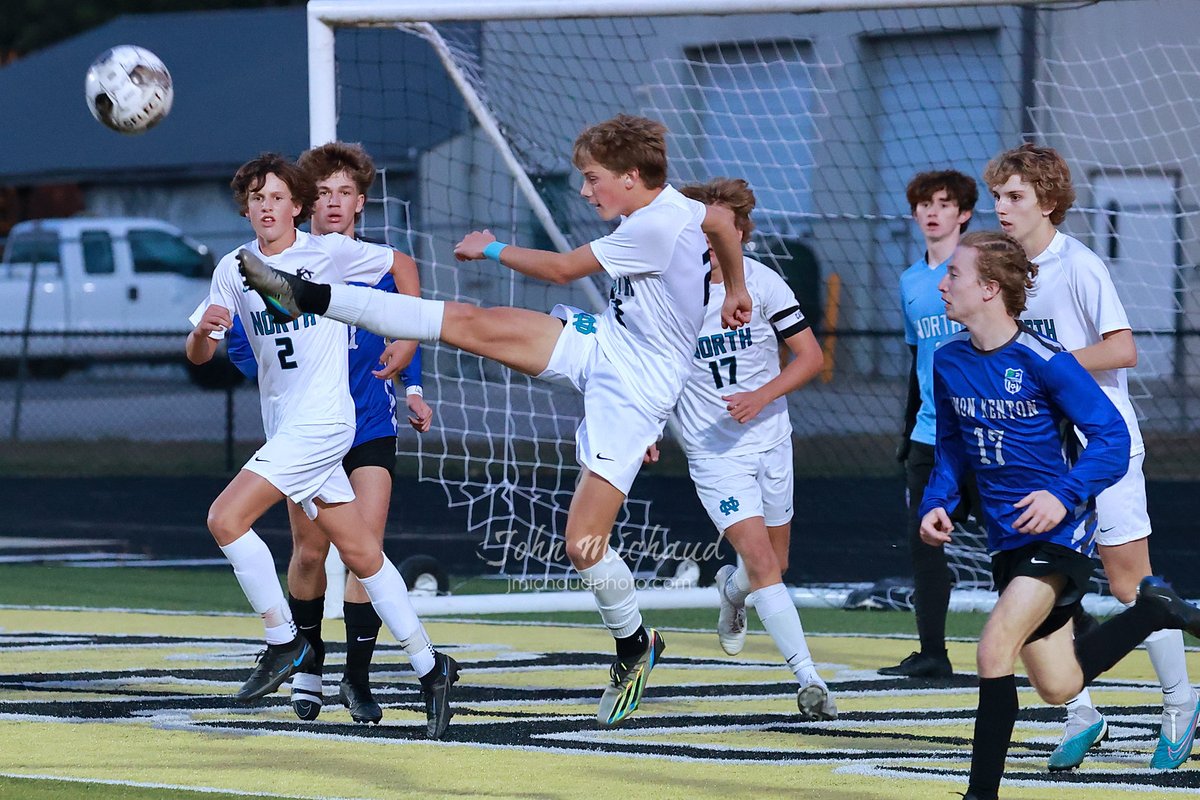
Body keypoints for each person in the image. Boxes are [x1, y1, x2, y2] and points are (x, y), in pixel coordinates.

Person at [238, 114, 753, 727]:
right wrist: (734, 288)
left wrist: (489, 247)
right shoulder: (685, 208)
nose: (586, 192)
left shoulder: (655, 226)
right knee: (472, 322)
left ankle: (634, 643)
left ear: (631, 176)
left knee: (583, 545)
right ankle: (309, 296)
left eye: (592, 180)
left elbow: (563, 271)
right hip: (608, 344)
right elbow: (721, 222)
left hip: (638, 390)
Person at [919, 230, 1200, 800]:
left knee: (993, 648)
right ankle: (1151, 612)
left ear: (990, 290)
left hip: (1060, 532)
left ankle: (980, 795)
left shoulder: (1046, 361)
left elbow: (1111, 439)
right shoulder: (948, 362)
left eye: (954, 275)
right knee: (1059, 684)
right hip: (1007, 538)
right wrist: (936, 502)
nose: (942, 283)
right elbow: (951, 447)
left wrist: (1064, 496)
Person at [185, 153, 458, 740]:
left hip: (328, 424)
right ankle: (432, 667)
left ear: (296, 207)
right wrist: (202, 332)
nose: (266, 207)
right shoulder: (234, 268)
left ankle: (284, 644)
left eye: (277, 197)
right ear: (247, 207)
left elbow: (402, 266)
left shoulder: (328, 253)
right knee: (362, 556)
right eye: (255, 198)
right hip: (287, 426)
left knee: (225, 518)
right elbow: (199, 355)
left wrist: (408, 345)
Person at [984, 143, 1199, 770]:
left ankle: (1180, 703)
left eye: (1015, 196)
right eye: (998, 195)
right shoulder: (1001, 267)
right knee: (1031, 583)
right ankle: (1082, 713)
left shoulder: (1077, 266)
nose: (1002, 206)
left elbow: (1123, 348)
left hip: (1102, 444)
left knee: (1133, 583)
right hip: (1042, 455)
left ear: (1048, 203)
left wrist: (1048, 367)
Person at [669, 178, 830, 719]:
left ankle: (730, 592)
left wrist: (761, 396)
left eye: (724, 232)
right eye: (703, 233)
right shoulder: (671, 294)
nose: (713, 244)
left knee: (772, 566)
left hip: (770, 440)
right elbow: (651, 374)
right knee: (764, 564)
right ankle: (809, 679)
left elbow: (810, 357)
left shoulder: (764, 284)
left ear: (741, 232)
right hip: (713, 453)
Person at [880, 169, 980, 680]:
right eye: (925, 203)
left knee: (1026, 545)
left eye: (945, 203)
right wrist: (907, 432)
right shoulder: (909, 281)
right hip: (929, 437)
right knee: (925, 546)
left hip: (987, 434)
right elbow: (917, 363)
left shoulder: (987, 269)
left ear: (964, 213)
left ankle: (1079, 639)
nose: (933, 211)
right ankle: (933, 652)